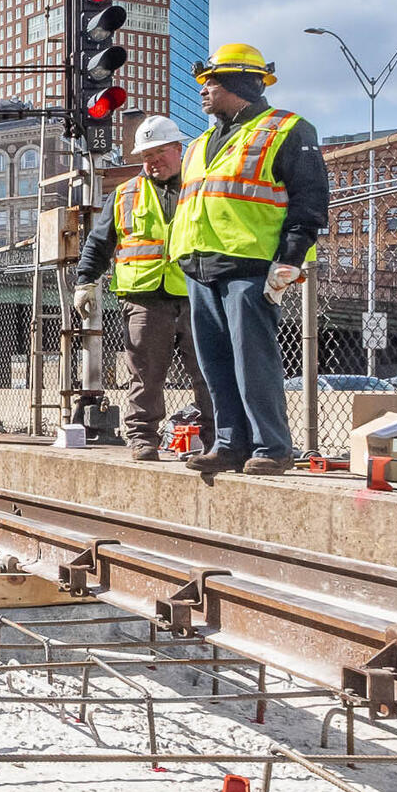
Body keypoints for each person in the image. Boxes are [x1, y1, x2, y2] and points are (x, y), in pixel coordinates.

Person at [167, 43, 329, 475]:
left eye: (211, 82)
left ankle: (273, 448)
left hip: (251, 265)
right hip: (201, 267)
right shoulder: (200, 143)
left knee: (252, 359)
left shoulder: (287, 129)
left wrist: (290, 259)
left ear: (239, 82)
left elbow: (309, 202)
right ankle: (229, 444)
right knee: (214, 364)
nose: (203, 90)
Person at [71, 115, 215, 462]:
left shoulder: (201, 187)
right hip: (145, 297)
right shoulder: (125, 194)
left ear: (178, 149)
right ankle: (142, 438)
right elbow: (99, 242)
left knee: (209, 372)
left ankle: (217, 441)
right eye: (146, 155)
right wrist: (85, 280)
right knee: (145, 374)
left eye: (159, 153)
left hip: (196, 293)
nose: (152, 162)